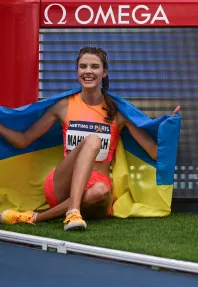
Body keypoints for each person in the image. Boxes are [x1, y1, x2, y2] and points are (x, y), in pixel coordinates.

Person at [0, 47, 180, 231]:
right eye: (83, 66)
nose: (88, 71)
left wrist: (171, 129)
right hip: (61, 185)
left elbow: (155, 152)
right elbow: (23, 140)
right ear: (77, 71)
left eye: (94, 66)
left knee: (101, 192)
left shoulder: (117, 111)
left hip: (97, 187)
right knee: (93, 140)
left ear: (104, 72)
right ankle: (72, 211)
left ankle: (39, 216)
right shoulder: (63, 106)